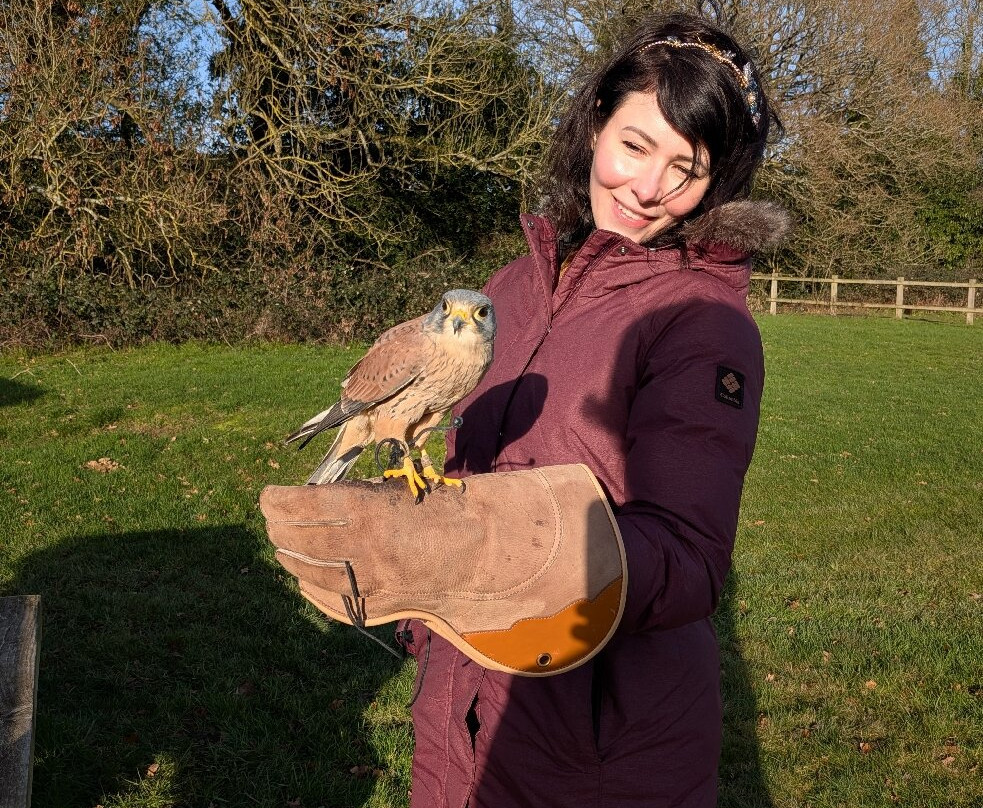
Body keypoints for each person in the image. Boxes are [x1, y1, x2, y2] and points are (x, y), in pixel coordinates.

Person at [263, 10, 789, 807]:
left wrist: (470, 553)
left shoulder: (701, 322)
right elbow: (462, 463)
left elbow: (687, 561)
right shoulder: (512, 288)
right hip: (460, 710)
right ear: (593, 128)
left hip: (599, 742)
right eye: (634, 145)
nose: (647, 189)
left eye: (686, 168)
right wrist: (420, 576)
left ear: (717, 185)